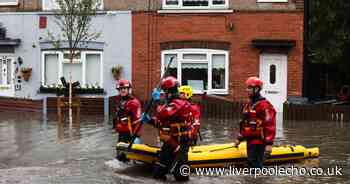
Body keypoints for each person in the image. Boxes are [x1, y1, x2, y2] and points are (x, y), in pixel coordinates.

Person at [141, 76, 192, 181]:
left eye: (164, 92)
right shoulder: (169, 104)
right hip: (169, 143)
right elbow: (160, 121)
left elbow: (164, 114)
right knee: (158, 174)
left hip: (180, 145)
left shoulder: (180, 103)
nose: (163, 95)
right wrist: (149, 120)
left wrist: (156, 101)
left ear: (169, 92)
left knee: (181, 177)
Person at [233, 77, 276, 168]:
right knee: (251, 164)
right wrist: (239, 139)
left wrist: (269, 144)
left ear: (256, 89)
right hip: (250, 141)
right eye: (247, 87)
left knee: (254, 165)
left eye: (249, 88)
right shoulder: (249, 105)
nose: (246, 90)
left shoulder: (264, 105)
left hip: (259, 142)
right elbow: (245, 124)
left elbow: (270, 125)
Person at [114, 79, 142, 144]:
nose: (122, 90)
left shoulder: (134, 103)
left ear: (128, 89)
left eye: (124, 88)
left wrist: (136, 136)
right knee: (119, 152)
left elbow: (138, 120)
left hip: (130, 134)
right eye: (120, 89)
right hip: (121, 134)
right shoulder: (119, 101)